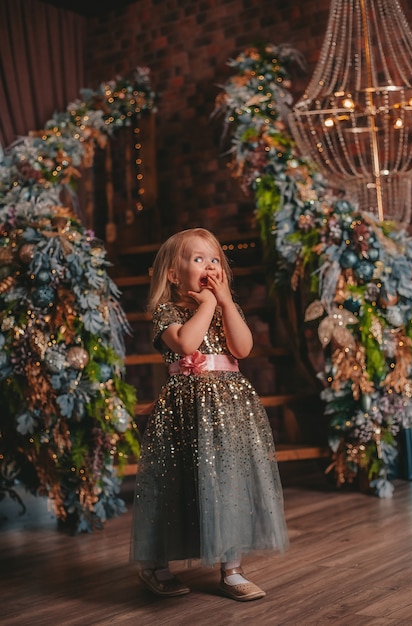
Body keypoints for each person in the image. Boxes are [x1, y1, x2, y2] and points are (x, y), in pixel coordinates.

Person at [131, 227, 289, 601]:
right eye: (198, 259)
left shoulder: (222, 310)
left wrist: (226, 304)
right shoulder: (166, 312)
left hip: (230, 411)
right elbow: (186, 342)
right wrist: (206, 305)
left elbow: (243, 348)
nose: (209, 265)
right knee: (177, 484)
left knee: (229, 486)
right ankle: (156, 563)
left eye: (214, 259)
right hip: (185, 413)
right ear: (173, 273)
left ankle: (232, 568)